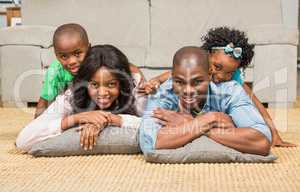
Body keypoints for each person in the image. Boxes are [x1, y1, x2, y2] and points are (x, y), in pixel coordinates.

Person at [139, 26, 295, 147]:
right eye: (217, 67)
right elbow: (174, 75)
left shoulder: (231, 84)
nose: (219, 76)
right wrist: (156, 81)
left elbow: (254, 101)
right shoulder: (190, 71)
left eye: (229, 73)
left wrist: (273, 133)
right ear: (207, 57)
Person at [139, 46, 272, 156]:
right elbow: (150, 142)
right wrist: (212, 120)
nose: (188, 90)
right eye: (179, 82)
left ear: (209, 75)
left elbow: (261, 141)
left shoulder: (230, 91)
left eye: (197, 82)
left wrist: (192, 124)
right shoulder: (162, 93)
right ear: (172, 77)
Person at [16, 45, 146, 152]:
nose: (102, 93)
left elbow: (156, 126)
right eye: (94, 85)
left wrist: (111, 119)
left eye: (111, 84)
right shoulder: (72, 95)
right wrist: (77, 118)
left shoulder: (135, 88)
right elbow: (23, 141)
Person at [35, 23, 144, 118]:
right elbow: (43, 102)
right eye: (63, 56)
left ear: (89, 48)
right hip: (69, 108)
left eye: (77, 53)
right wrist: (37, 124)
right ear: (56, 55)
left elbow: (127, 67)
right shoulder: (55, 72)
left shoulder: (94, 60)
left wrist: (142, 83)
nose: (72, 61)